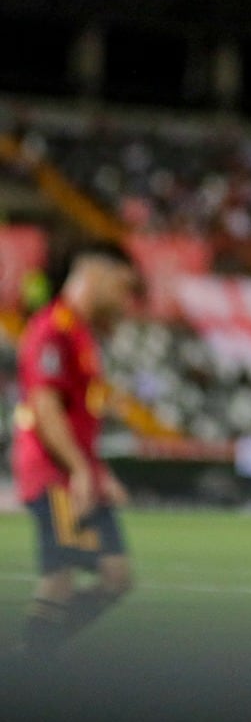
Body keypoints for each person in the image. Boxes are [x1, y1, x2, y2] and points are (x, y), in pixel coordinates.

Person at [9, 238, 141, 657]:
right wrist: (83, 470)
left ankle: (34, 650)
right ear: (95, 278)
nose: (125, 300)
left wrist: (97, 470)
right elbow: (45, 408)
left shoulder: (80, 335)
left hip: (77, 470)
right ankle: (29, 659)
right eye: (122, 287)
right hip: (54, 471)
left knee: (116, 576)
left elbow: (77, 418)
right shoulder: (52, 329)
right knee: (60, 575)